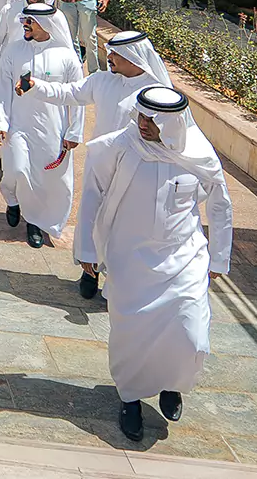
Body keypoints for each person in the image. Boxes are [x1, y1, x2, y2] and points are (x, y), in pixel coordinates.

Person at [75, 86, 233, 442]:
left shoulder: (197, 153)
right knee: (132, 337)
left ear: (173, 123)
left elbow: (220, 203)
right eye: (141, 116)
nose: (143, 124)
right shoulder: (121, 146)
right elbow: (93, 192)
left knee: (190, 333)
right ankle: (130, 399)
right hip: (130, 261)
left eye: (152, 119)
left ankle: (172, 384)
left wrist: (220, 256)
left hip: (185, 260)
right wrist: (87, 249)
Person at [0, 4, 85, 248]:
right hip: (18, 124)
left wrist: (74, 131)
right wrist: (0, 121)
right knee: (16, 169)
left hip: (51, 129)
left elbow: (77, 96)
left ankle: (34, 222)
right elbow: (3, 89)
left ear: (46, 25)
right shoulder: (14, 51)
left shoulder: (66, 57)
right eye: (24, 20)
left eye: (30, 22)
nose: (25, 25)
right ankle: (13, 200)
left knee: (43, 178)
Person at [28, 29, 173, 132]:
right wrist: (35, 86)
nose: (109, 57)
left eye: (115, 54)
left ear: (133, 59)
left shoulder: (156, 93)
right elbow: (68, 93)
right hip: (101, 159)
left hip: (133, 163)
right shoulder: (102, 80)